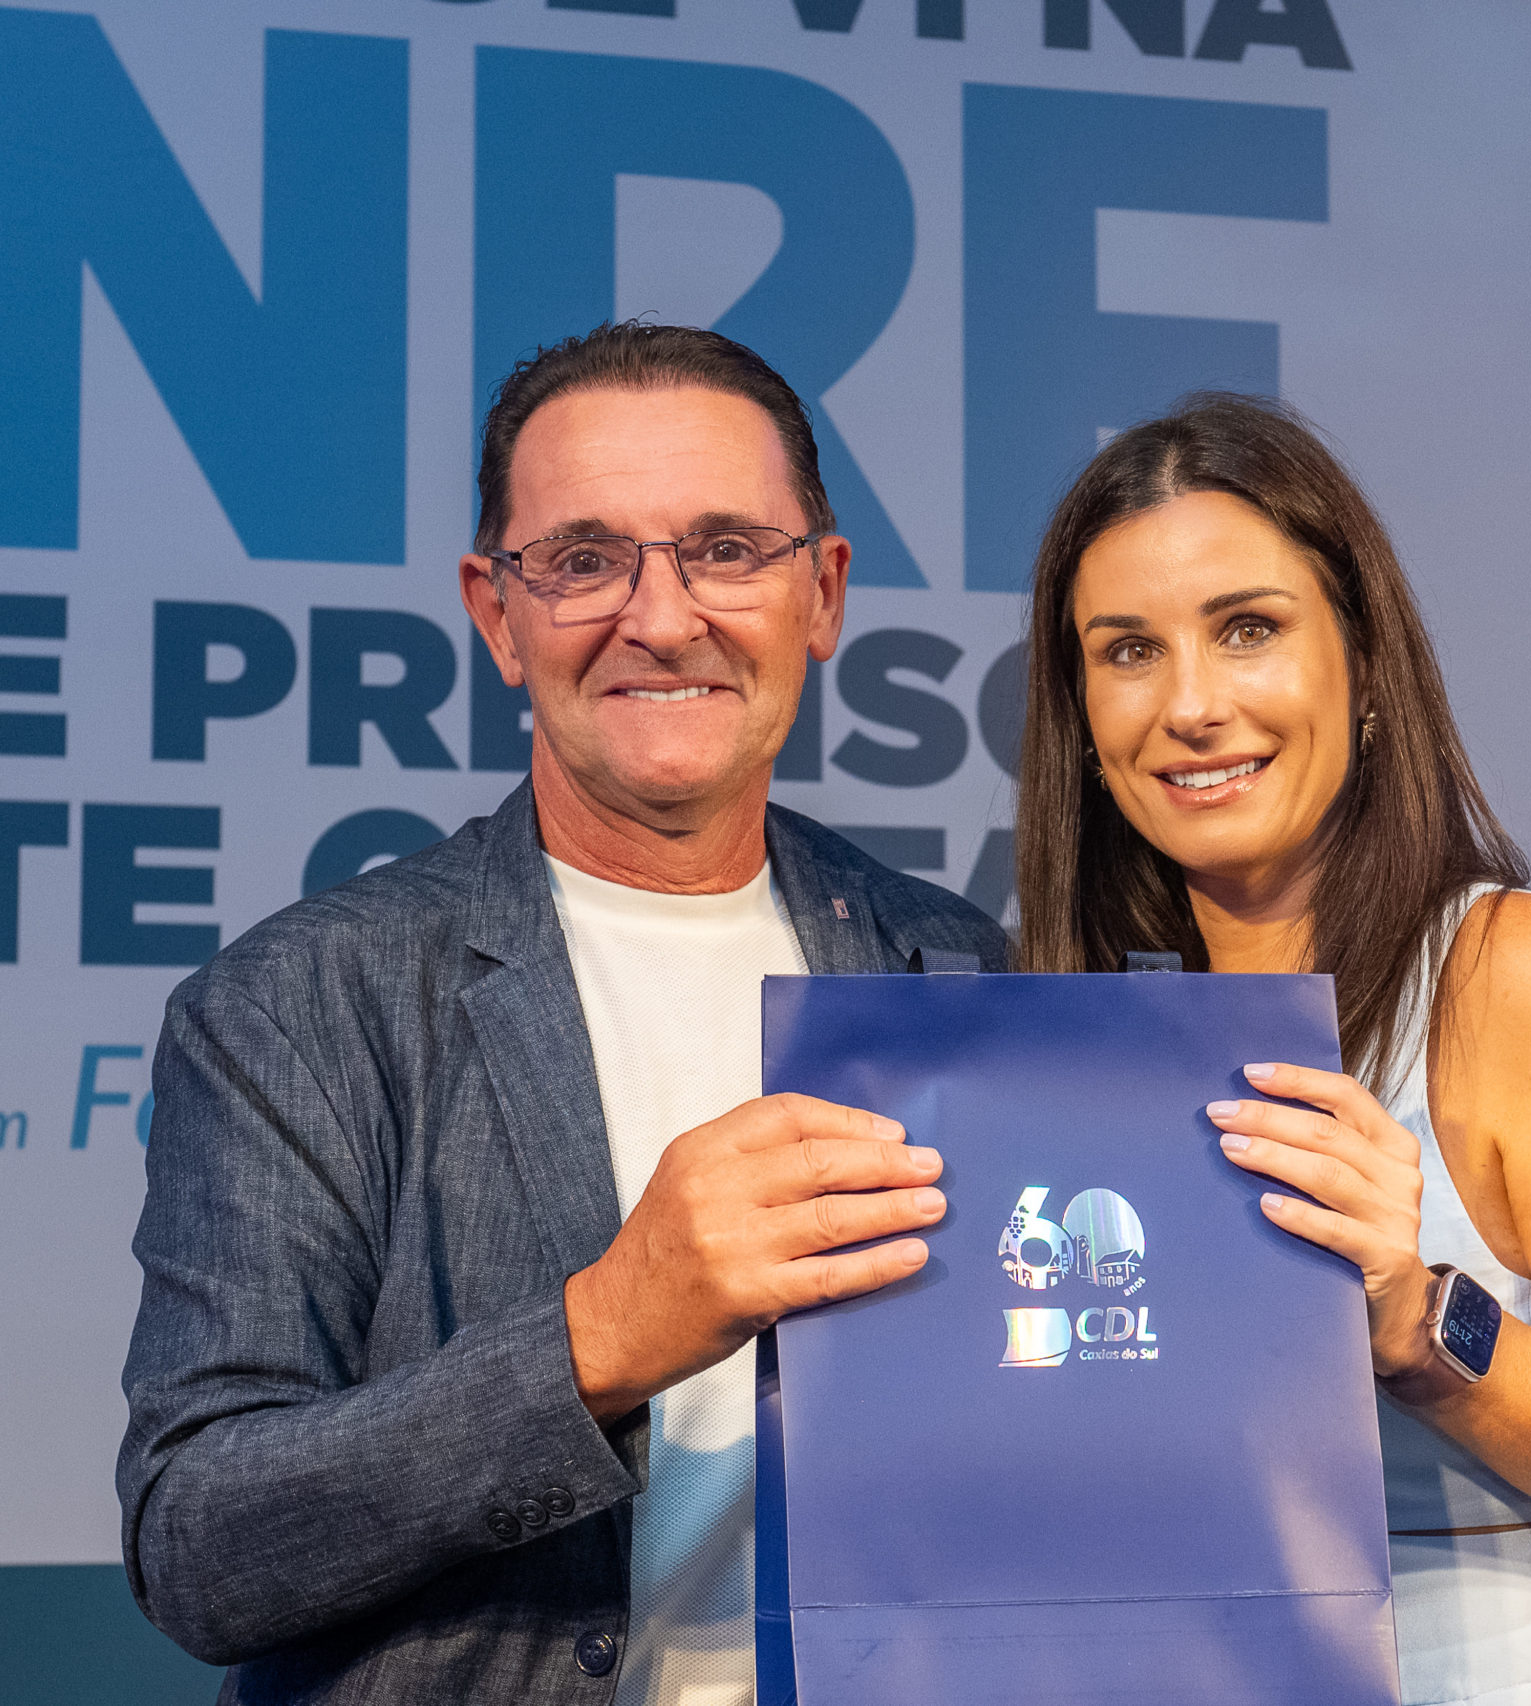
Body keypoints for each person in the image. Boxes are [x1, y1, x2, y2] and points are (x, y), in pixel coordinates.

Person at [118, 323, 1005, 1703]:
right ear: (497, 613)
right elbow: (199, 1542)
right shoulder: (298, 1003)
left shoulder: (960, 969)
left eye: (726, 549)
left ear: (822, 594)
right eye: (586, 561)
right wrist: (598, 1336)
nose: (663, 618)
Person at [1014, 394, 1531, 1706]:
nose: (1191, 704)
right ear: (1081, 713)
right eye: (1129, 650)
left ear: (1363, 664)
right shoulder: (1060, 1030)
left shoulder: (1509, 974)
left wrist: (1414, 1320)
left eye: (1248, 630)